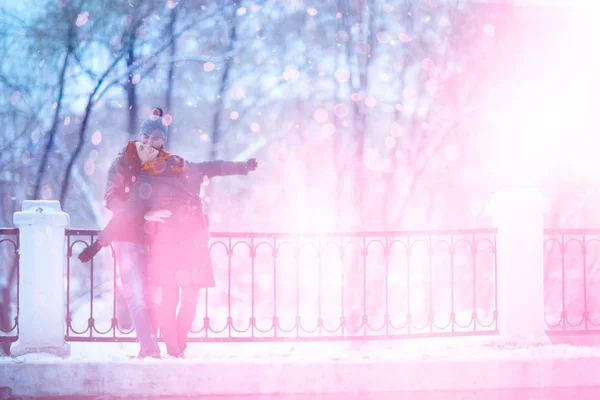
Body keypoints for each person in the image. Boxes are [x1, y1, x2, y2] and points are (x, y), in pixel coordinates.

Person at [81, 139, 258, 358]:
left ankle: (176, 348)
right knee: (167, 301)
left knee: (183, 301)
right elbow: (124, 213)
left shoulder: (187, 170)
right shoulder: (148, 181)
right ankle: (169, 349)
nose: (168, 162)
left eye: (168, 158)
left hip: (190, 246)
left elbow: (214, 167)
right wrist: (97, 245)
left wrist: (243, 167)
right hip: (168, 248)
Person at [102, 108, 171, 359]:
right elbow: (110, 199)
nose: (149, 142)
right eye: (145, 136)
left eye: (155, 138)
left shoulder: (165, 167)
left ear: (163, 140)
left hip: (155, 241)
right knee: (137, 297)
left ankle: (148, 349)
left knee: (154, 298)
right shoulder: (123, 161)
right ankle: (151, 351)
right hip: (127, 238)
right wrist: (141, 215)